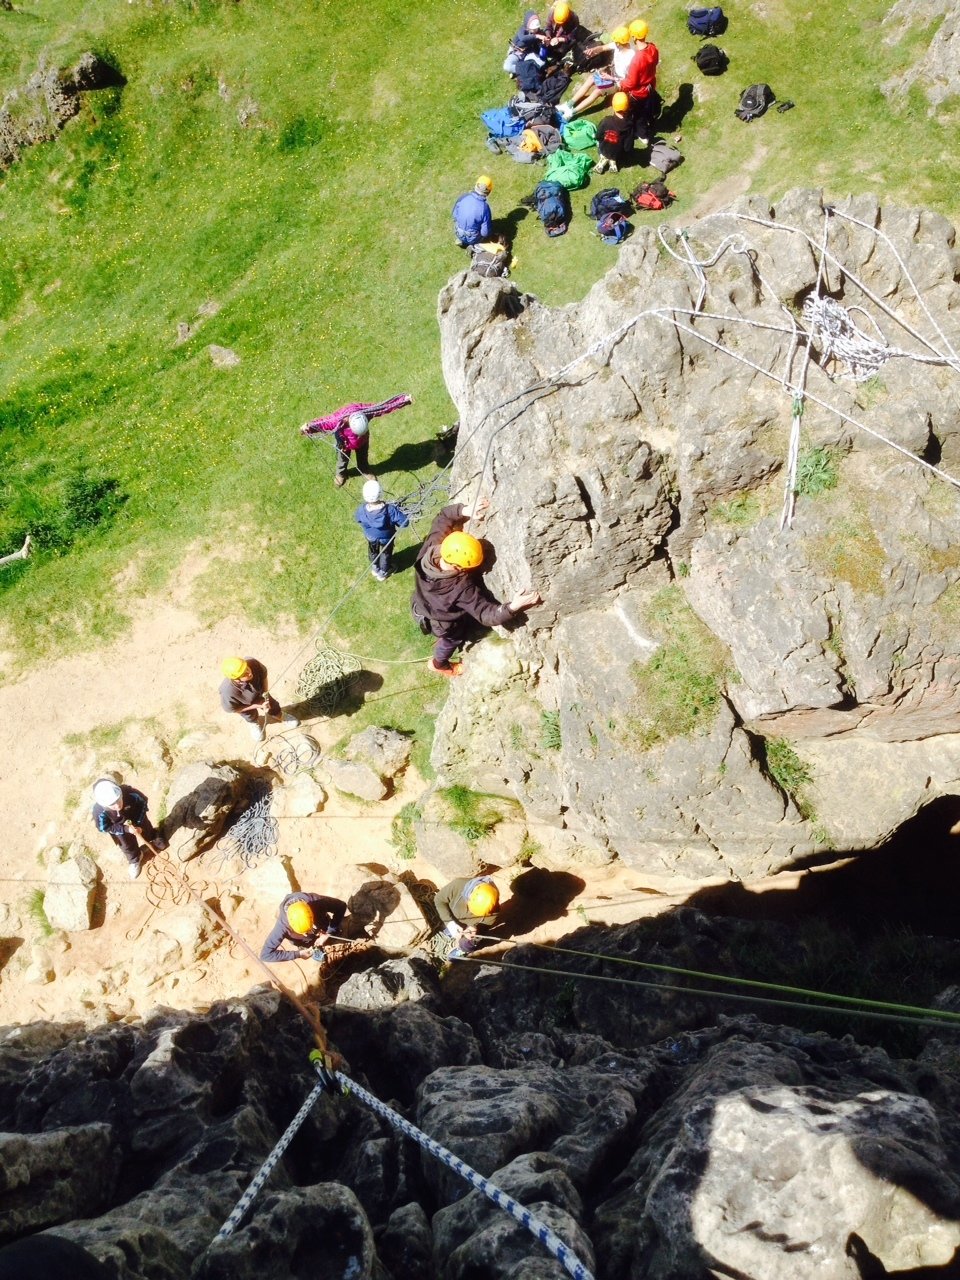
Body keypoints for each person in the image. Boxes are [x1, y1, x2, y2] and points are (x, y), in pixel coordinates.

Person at [411, 497, 542, 677]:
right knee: (452, 639)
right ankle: (439, 664)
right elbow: (485, 614)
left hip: (420, 604)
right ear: (460, 567)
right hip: (444, 623)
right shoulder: (460, 588)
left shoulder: (431, 549)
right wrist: (513, 606)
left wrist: (465, 511)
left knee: (451, 629)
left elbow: (442, 517)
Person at [300, 393, 413, 488]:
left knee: (363, 458)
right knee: (342, 460)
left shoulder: (366, 412)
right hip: (344, 444)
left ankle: (364, 470)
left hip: (362, 442)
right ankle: (341, 474)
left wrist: (403, 400)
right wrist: (309, 427)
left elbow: (383, 407)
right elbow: (323, 423)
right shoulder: (338, 420)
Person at [91, 778, 168, 880]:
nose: (117, 805)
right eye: (112, 804)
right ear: (105, 805)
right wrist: (126, 829)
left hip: (136, 817)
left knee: (147, 829)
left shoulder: (128, 792)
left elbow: (143, 802)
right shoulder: (99, 811)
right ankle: (135, 859)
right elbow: (104, 827)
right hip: (119, 828)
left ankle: (153, 838)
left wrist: (139, 823)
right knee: (126, 845)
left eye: (118, 799)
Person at [558, 25, 634, 120]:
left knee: (597, 91)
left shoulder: (631, 58)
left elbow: (629, 80)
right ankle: (569, 105)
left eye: (616, 41)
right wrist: (593, 50)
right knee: (591, 78)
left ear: (620, 43)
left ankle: (571, 113)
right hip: (612, 72)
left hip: (618, 81)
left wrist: (610, 78)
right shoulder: (618, 45)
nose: (615, 43)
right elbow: (603, 48)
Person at [220, 656, 299, 743]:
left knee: (272, 705)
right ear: (237, 680)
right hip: (243, 703)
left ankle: (279, 715)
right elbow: (233, 709)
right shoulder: (228, 692)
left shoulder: (253, 663)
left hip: (260, 692)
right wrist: (256, 705)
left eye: (247, 668)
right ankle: (253, 722)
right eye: (244, 674)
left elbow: (264, 676)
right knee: (249, 715)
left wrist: (265, 694)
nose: (249, 673)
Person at [260, 891, 347, 963]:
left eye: (311, 927)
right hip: (305, 942)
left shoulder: (317, 902)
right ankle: (311, 949)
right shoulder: (282, 926)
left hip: (323, 927)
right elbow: (266, 955)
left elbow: (341, 906)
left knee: (338, 936)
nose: (309, 933)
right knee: (323, 958)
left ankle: (331, 932)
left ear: (311, 913)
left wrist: (329, 931)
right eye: (304, 932)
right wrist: (298, 954)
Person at [355, 478, 409, 582]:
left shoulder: (362, 509)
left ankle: (375, 568)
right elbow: (404, 523)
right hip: (386, 538)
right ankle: (383, 572)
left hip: (370, 536)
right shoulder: (390, 510)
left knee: (373, 551)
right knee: (385, 553)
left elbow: (358, 519)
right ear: (380, 493)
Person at [434, 876, 500, 957]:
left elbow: (482, 929)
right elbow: (439, 900)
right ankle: (449, 929)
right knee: (443, 915)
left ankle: (462, 950)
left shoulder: (493, 913)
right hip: (453, 916)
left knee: (469, 943)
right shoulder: (458, 885)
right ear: (469, 897)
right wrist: (449, 923)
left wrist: (474, 928)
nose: (471, 913)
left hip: (468, 929)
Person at [619, 19, 660, 143]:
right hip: (650, 84)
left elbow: (631, 83)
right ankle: (651, 120)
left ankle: (643, 135)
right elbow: (656, 62)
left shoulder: (637, 59)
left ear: (633, 36)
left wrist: (620, 83)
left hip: (639, 92)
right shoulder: (653, 48)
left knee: (638, 114)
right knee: (648, 108)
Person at [594, 91, 635, 173]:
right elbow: (628, 146)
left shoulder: (606, 121)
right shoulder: (629, 126)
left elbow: (598, 136)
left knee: (601, 146)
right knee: (616, 151)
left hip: (603, 149)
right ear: (627, 106)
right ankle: (613, 161)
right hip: (618, 153)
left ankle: (603, 160)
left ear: (613, 105)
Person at [452, 176, 493, 248]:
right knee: (485, 234)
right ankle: (474, 246)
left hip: (458, 232)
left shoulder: (463, 197)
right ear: (488, 192)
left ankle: (460, 240)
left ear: (475, 186)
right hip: (473, 238)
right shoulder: (485, 208)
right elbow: (485, 233)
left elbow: (454, 215)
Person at [505, 10, 548, 75]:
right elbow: (523, 38)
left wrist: (543, 45)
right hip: (516, 52)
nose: (535, 31)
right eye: (533, 29)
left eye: (536, 29)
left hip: (528, 54)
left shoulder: (540, 33)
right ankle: (524, 71)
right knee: (507, 67)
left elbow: (538, 51)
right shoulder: (522, 30)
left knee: (542, 63)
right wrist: (537, 36)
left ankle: (523, 70)